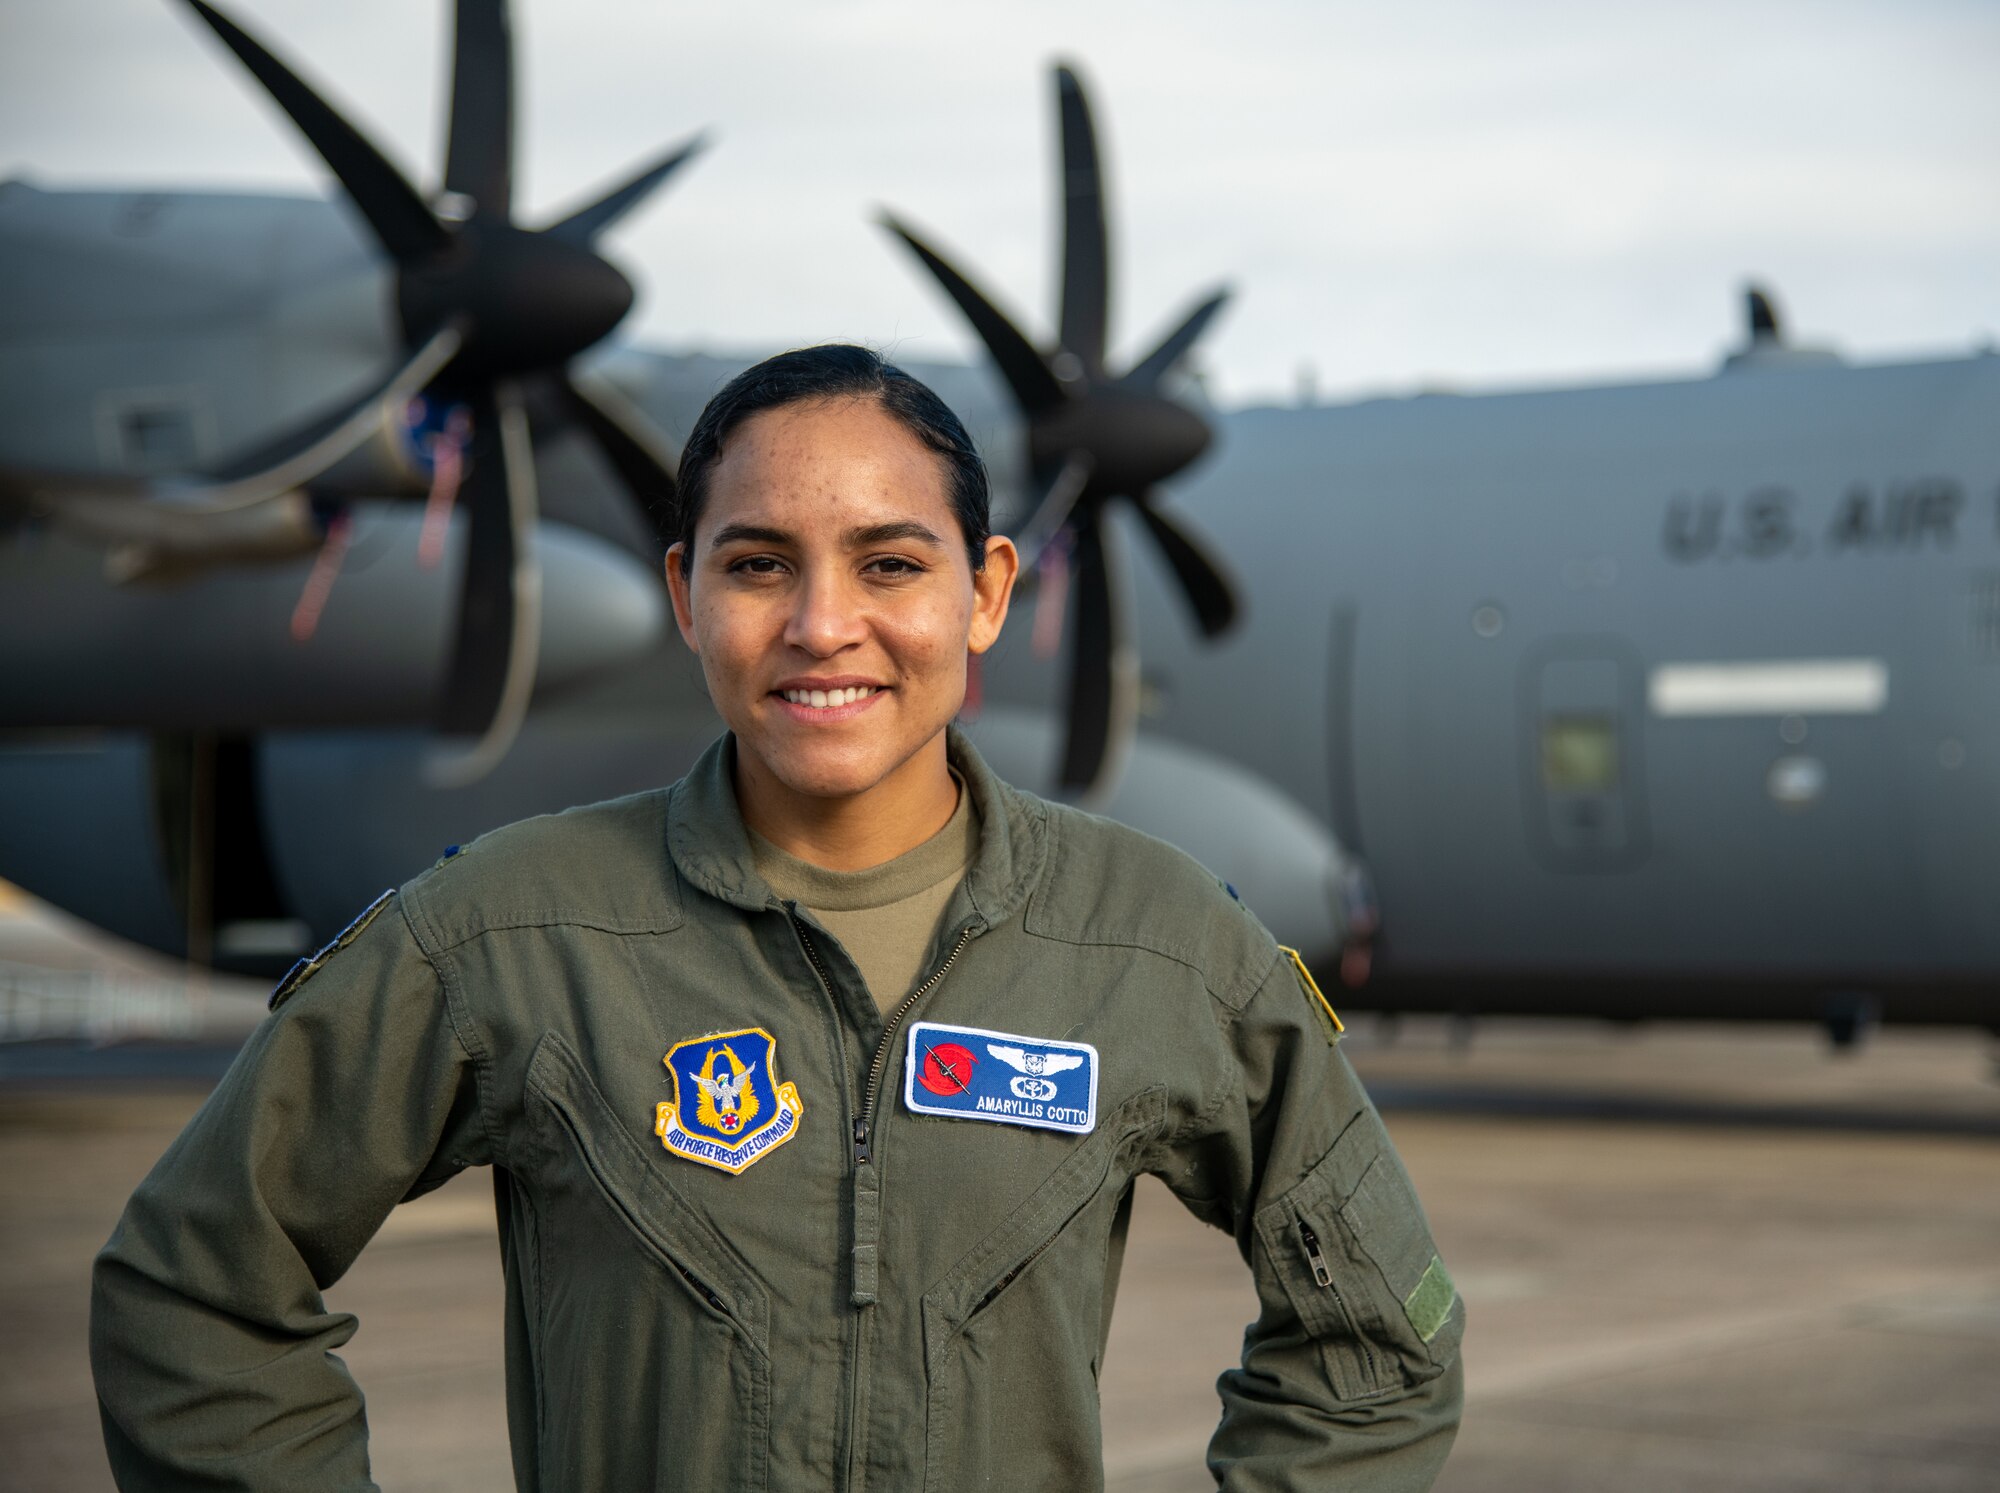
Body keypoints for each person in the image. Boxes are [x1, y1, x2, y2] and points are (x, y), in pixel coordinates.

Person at [92, 344, 1463, 1490]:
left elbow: (1383, 1339)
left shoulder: (1158, 941)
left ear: (983, 593)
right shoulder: (506, 928)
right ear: (687, 595)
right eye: (758, 565)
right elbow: (193, 1284)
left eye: (889, 564)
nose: (823, 623)